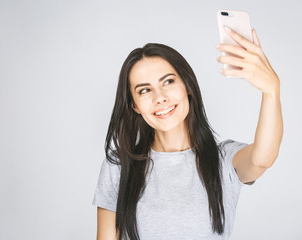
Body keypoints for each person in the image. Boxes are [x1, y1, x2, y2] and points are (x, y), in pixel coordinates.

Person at [92, 26, 283, 240]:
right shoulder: (119, 165)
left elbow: (261, 160)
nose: (160, 97)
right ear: (134, 105)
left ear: (187, 86)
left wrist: (271, 91)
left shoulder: (223, 159)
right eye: (144, 90)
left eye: (169, 82)